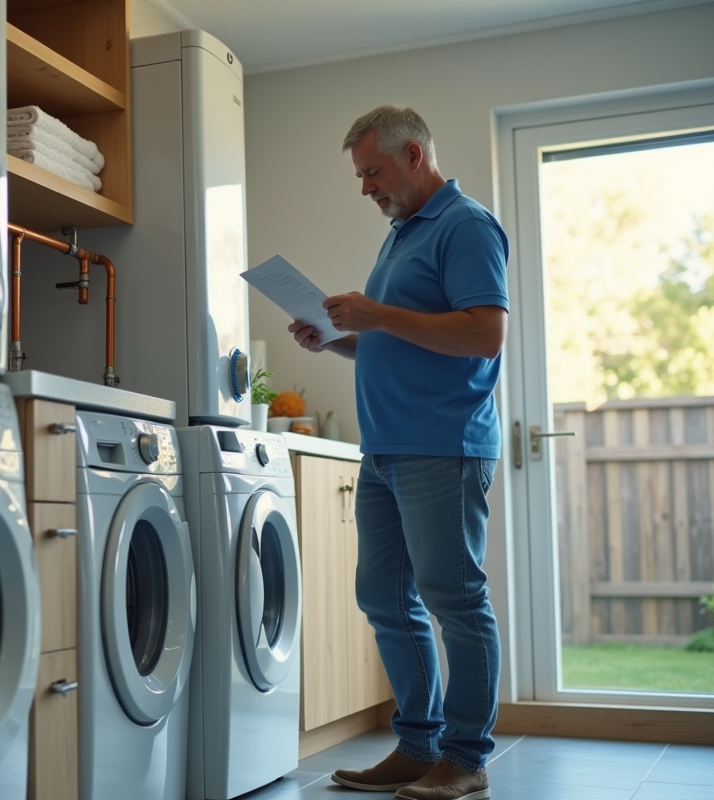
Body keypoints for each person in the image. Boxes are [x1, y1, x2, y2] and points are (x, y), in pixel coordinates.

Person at [288, 106, 507, 800]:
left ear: (414, 155)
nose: (365, 189)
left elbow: (483, 334)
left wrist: (376, 314)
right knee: (383, 595)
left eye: (372, 172)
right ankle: (418, 748)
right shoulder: (401, 234)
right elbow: (399, 337)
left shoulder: (465, 225)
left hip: (442, 447)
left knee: (455, 599)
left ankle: (465, 759)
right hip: (384, 450)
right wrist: (337, 337)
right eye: (360, 176)